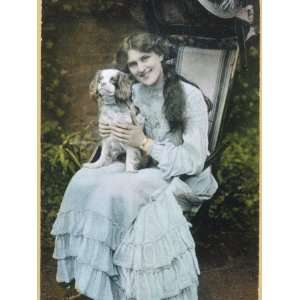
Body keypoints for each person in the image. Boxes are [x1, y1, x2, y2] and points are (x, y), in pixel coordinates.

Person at [51, 32, 218, 300]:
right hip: (139, 164)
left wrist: (146, 143)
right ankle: (97, 280)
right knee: (82, 182)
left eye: (145, 58)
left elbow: (194, 160)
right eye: (133, 64)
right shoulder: (133, 92)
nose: (141, 68)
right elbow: (119, 138)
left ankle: (127, 287)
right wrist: (106, 130)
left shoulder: (189, 95)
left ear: (161, 55)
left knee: (121, 190)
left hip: (178, 174)